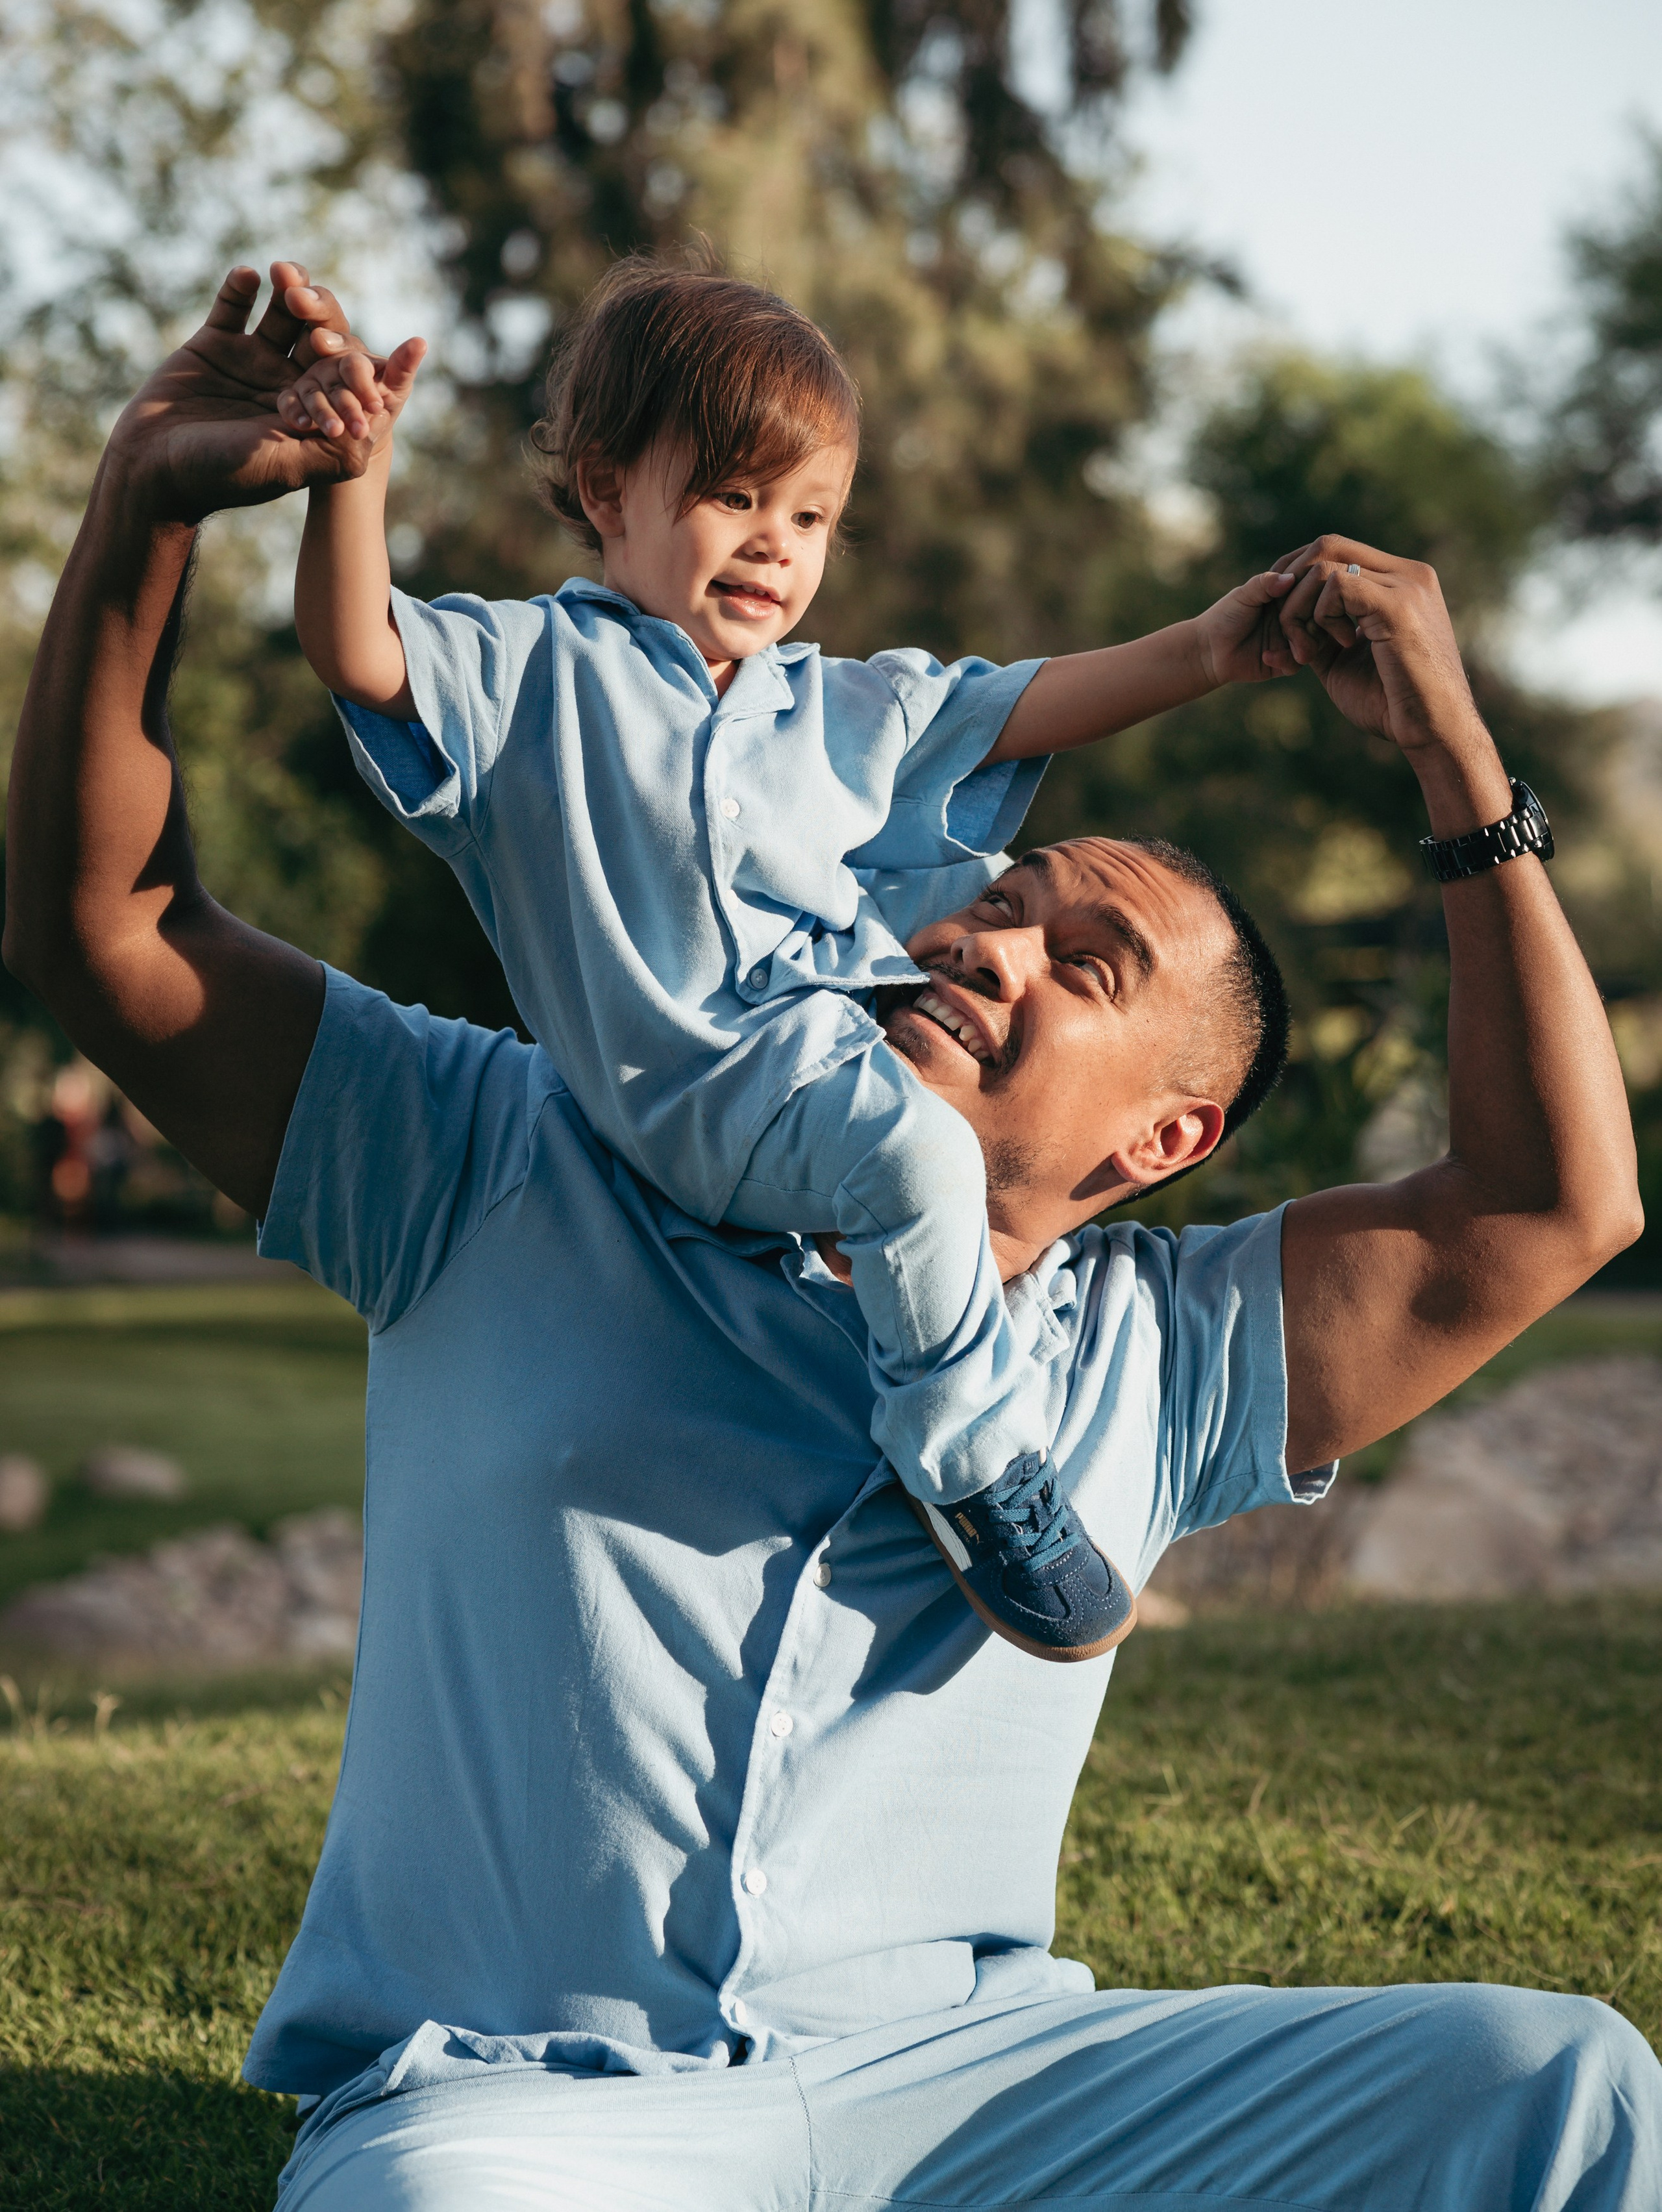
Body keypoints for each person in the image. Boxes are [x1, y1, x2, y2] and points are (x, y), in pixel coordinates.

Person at [7, 265, 1659, 2210]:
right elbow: (107, 934)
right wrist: (143, 506)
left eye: (1081, 955)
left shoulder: (1170, 1351)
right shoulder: (494, 1149)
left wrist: (1463, 768)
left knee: (1557, 2083)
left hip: (982, 2094)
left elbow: (1556, 1205)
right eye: (998, 892)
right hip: (547, 2115)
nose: (985, 934)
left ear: (1170, 1133)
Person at [269, 256, 1305, 1659]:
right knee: (924, 1160)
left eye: (810, 515)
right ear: (603, 488)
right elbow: (357, 649)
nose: (775, 545)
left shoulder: (833, 706)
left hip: (812, 1073)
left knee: (926, 1099)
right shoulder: (531, 678)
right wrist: (350, 477)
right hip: (683, 1090)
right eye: (734, 496)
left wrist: (1203, 649)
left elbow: (1023, 705)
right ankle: (972, 1459)